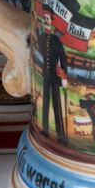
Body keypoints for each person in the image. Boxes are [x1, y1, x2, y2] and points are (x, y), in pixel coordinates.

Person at [36, 8, 68, 142]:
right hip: (46, 75)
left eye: (47, 18)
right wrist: (37, 30)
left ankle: (60, 134)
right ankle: (45, 129)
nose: (45, 20)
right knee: (45, 102)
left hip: (55, 76)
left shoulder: (55, 39)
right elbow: (41, 49)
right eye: (44, 18)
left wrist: (64, 76)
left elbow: (63, 58)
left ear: (51, 21)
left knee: (56, 104)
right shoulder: (43, 37)